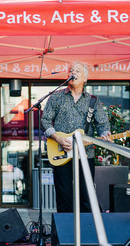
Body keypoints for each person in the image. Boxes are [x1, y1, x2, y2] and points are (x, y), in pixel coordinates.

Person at [40, 61, 111, 213]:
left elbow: (103, 124)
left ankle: (86, 233)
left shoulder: (93, 100)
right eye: (71, 70)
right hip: (60, 152)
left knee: (86, 196)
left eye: (77, 71)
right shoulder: (57, 97)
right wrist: (58, 139)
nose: (73, 73)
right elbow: (45, 120)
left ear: (85, 78)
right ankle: (65, 235)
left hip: (85, 154)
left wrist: (105, 134)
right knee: (64, 196)